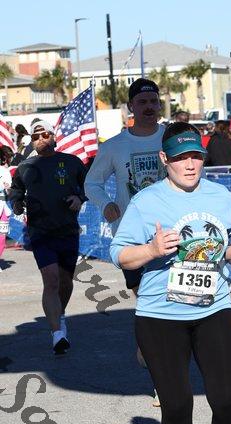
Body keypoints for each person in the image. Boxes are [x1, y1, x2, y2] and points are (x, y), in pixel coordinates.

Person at [110, 122, 231, 424]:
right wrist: (151, 249)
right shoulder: (146, 201)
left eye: (195, 156)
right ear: (164, 160)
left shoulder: (219, 196)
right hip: (160, 315)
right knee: (176, 405)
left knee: (226, 400)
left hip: (214, 309)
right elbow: (119, 254)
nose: (189, 164)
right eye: (180, 158)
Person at [8, 121, 87, 354]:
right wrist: (17, 203)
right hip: (40, 232)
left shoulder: (71, 162)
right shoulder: (25, 166)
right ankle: (57, 334)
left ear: (54, 136)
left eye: (45, 134)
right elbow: (16, 190)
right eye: (35, 137)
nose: (40, 139)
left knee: (65, 282)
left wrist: (79, 198)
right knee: (51, 280)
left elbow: (89, 186)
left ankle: (59, 315)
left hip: (68, 230)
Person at [85, 78, 165, 290]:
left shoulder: (172, 138)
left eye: (153, 101)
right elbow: (92, 183)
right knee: (142, 293)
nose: (149, 106)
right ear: (131, 106)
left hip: (169, 229)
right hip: (131, 233)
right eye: (142, 102)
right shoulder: (113, 146)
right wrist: (106, 204)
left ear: (159, 104)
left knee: (171, 293)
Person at [0, 146, 12, 260]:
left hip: (3, 207)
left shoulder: (5, 171)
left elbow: (10, 191)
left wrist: (8, 188)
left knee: (2, 236)